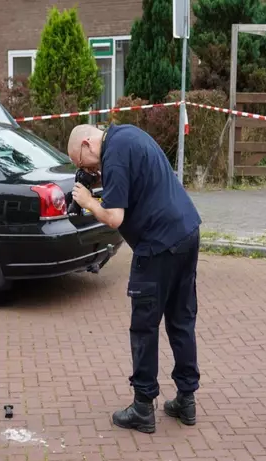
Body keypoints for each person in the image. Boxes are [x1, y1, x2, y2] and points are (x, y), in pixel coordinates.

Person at [66, 123, 202, 434]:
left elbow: (114, 218)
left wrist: (88, 202)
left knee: (144, 326)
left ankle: (143, 406)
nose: (84, 168)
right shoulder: (126, 135)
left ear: (87, 143)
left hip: (158, 245)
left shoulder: (113, 156)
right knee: (181, 318)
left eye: (80, 161)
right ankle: (186, 399)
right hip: (187, 231)